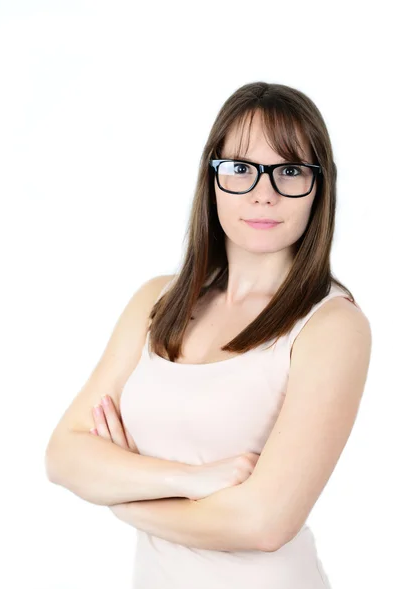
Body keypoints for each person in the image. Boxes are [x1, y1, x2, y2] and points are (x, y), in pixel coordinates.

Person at [44, 81, 372, 588]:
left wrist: (121, 496)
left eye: (289, 171)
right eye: (240, 168)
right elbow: (64, 455)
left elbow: (264, 524)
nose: (265, 192)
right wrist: (191, 480)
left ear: (318, 187)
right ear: (212, 179)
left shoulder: (331, 326)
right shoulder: (157, 302)